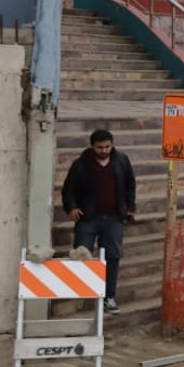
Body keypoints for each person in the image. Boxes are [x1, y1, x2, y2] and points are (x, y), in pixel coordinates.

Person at [60, 128, 137, 313]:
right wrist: (71, 207)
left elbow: (130, 185)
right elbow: (68, 189)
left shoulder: (121, 161)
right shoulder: (81, 164)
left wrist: (130, 208)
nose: (104, 151)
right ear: (92, 146)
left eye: (107, 147)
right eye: (100, 147)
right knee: (82, 254)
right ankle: (82, 293)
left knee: (112, 256)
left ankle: (108, 296)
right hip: (88, 218)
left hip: (114, 218)